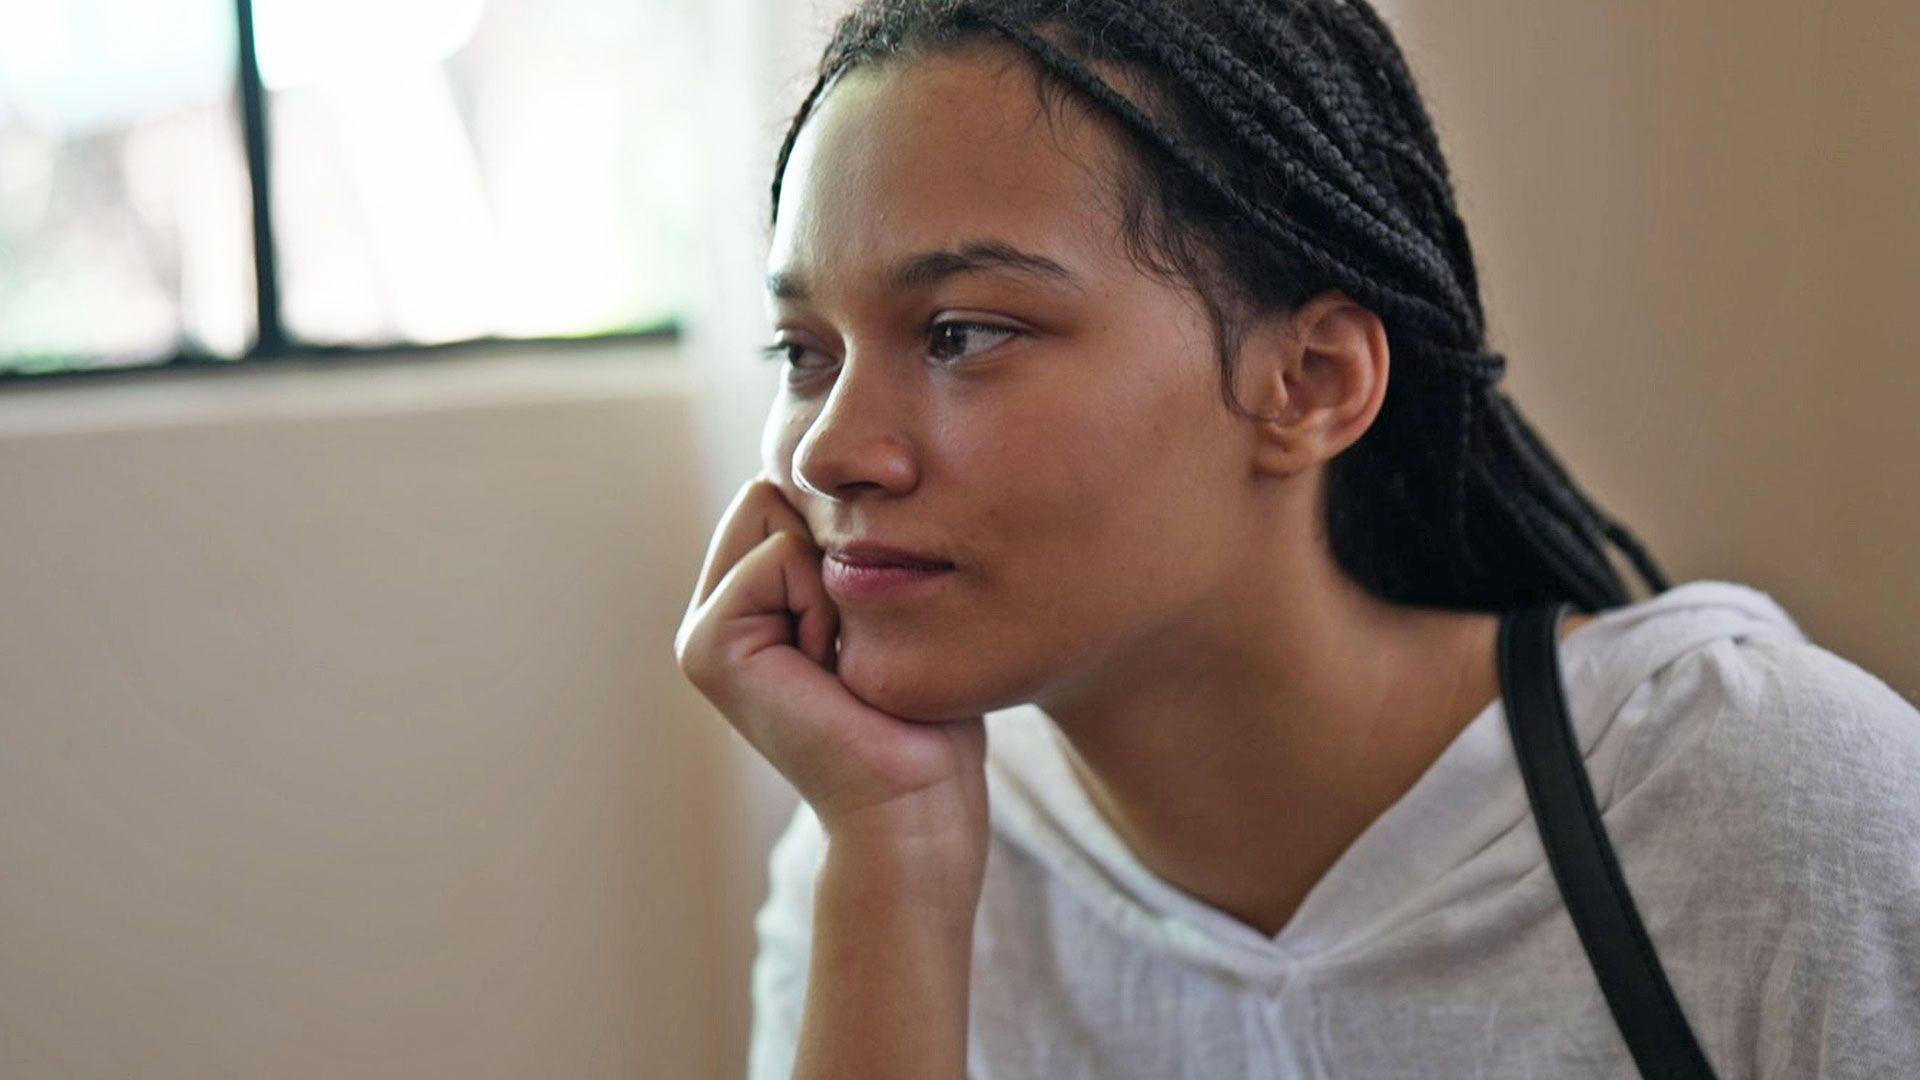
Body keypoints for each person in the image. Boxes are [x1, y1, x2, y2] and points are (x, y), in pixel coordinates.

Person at [673, 1, 1920, 1076]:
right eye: (804, 353)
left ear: (1311, 382)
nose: (830, 452)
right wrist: (893, 856)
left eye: (962, 333)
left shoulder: (1760, 798)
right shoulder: (882, 859)